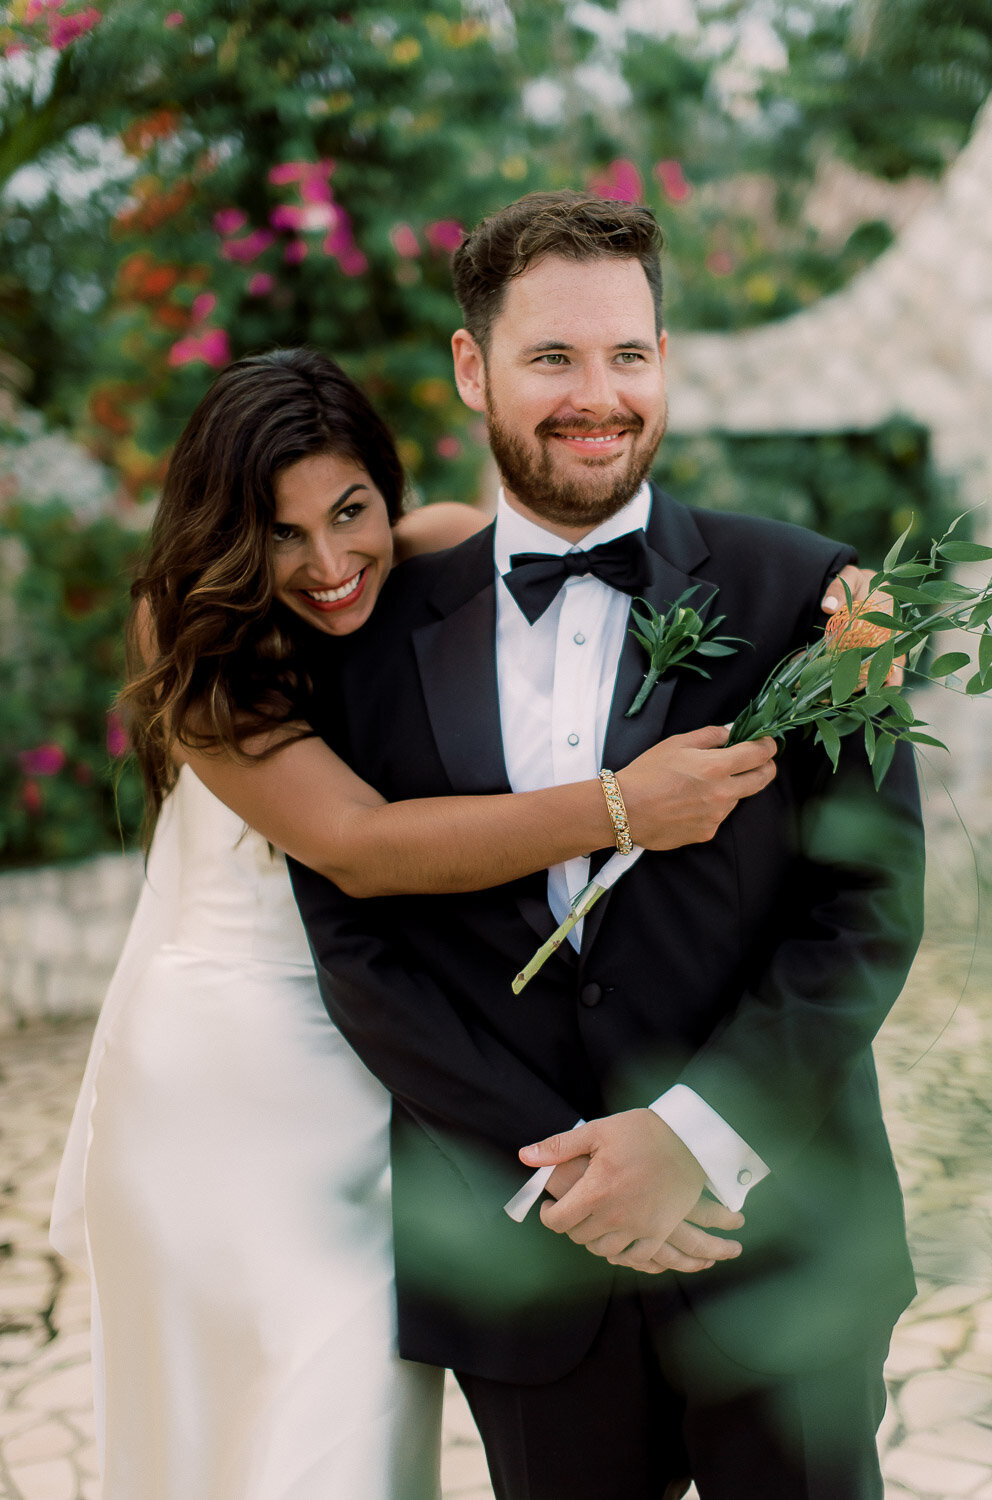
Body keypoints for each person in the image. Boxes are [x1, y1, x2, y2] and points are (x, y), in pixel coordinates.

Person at [52, 345, 860, 1500]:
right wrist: (627, 807)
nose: (330, 563)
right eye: (281, 535)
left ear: (387, 493)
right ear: (226, 534)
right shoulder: (188, 641)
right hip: (231, 1076)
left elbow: (579, 553)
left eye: (351, 511)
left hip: (383, 1069)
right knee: (278, 1417)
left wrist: (833, 592)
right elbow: (360, 847)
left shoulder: (425, 549)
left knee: (372, 1425)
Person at [288, 193, 926, 1500]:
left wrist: (690, 1137)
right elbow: (358, 940)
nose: (599, 395)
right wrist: (558, 1172)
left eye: (627, 355)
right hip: (524, 1263)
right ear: (472, 368)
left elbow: (861, 910)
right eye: (552, 358)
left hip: (781, 1232)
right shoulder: (363, 631)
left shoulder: (808, 598)